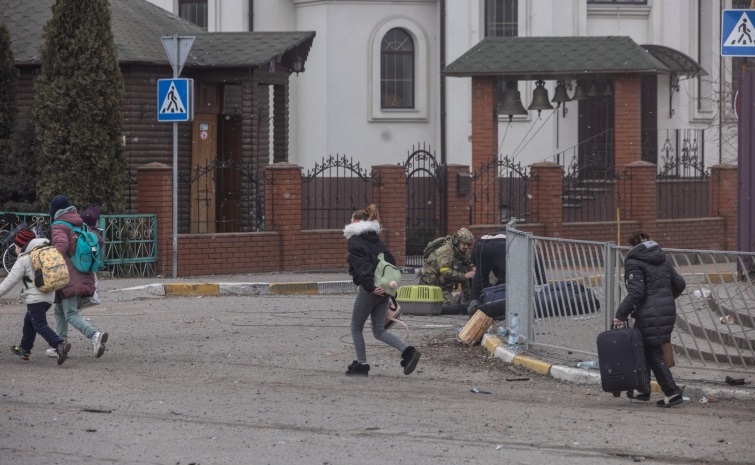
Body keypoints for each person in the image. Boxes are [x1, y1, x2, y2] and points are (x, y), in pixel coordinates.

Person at [343, 204, 420, 377]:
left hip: (371, 290)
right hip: (386, 289)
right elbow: (389, 262)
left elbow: (362, 267)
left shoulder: (355, 241)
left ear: (355, 222)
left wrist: (370, 287)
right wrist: (388, 292)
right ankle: (407, 351)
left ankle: (361, 365)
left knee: (355, 327)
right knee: (379, 330)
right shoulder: (377, 240)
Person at [613, 229, 686, 408]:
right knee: (644, 348)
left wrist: (620, 314)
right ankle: (642, 390)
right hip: (664, 311)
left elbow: (636, 293)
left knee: (653, 352)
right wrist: (666, 299)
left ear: (631, 245)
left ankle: (672, 392)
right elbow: (680, 284)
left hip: (649, 313)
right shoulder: (661, 259)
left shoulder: (634, 261)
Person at [48, 195, 108, 358]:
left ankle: (95, 335)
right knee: (59, 310)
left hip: (67, 276)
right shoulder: (80, 223)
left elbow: (60, 246)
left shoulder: (59, 225)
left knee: (71, 314)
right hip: (84, 272)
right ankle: (60, 344)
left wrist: (48, 257)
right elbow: (99, 241)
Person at [2, 228, 71, 365]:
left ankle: (59, 344)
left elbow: (9, 282)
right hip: (49, 295)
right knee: (30, 321)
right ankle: (24, 349)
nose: (15, 249)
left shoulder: (24, 259)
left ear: (22, 245)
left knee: (39, 324)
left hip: (35, 298)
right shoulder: (45, 250)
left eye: (16, 245)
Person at [419, 228, 475, 305]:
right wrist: (464, 276)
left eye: (468, 245)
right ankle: (453, 301)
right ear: (457, 241)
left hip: (443, 279)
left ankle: (468, 299)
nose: (466, 247)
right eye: (464, 244)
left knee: (465, 270)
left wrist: (473, 268)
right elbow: (445, 272)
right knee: (451, 305)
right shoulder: (446, 250)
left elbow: (467, 262)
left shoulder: (460, 250)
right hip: (433, 282)